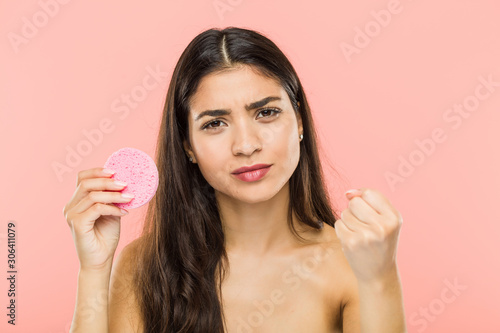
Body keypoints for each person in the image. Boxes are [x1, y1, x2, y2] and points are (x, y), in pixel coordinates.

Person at [63, 27, 407, 333]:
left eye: (266, 112)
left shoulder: (350, 265)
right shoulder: (146, 265)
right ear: (188, 146)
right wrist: (94, 270)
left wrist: (380, 278)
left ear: (299, 122)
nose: (246, 145)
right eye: (215, 123)